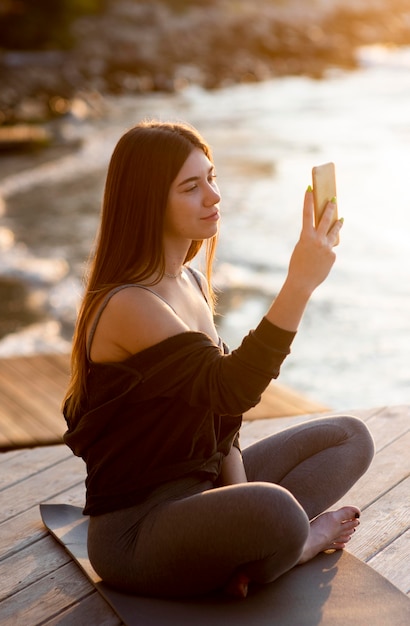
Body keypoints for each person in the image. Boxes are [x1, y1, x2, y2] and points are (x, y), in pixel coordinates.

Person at [63, 119, 374, 600]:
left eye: (212, 177)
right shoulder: (128, 304)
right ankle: (296, 546)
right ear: (148, 201)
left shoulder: (190, 282)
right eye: (192, 186)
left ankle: (247, 553)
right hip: (137, 533)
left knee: (351, 437)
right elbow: (233, 388)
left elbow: (223, 414)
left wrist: (233, 502)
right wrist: (299, 284)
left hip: (202, 488)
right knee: (281, 514)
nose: (213, 196)